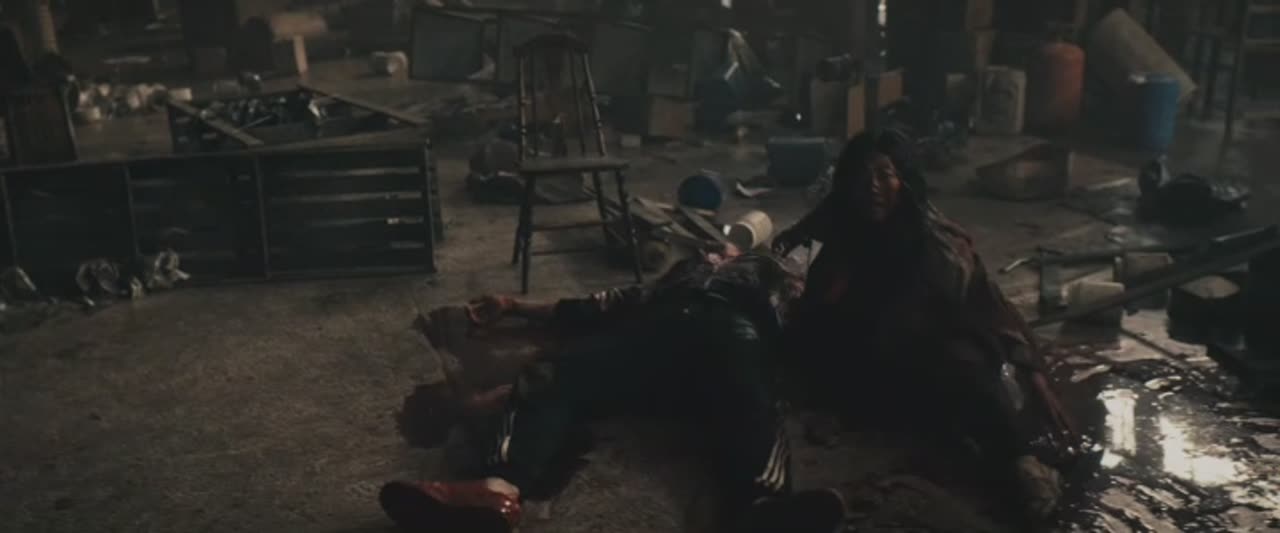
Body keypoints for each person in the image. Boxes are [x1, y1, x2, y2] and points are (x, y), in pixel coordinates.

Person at [379, 249, 845, 533]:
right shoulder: (681, 275)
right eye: (713, 251)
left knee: (751, 394)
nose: (717, 252)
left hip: (731, 334)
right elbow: (599, 304)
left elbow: (811, 324)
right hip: (651, 339)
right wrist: (513, 304)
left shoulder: (770, 274)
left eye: (727, 251)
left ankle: (762, 507)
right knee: (554, 374)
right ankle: (496, 492)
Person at [772, 129, 1079, 520]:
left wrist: (1032, 374)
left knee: (968, 367)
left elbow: (988, 306)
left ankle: (1022, 464)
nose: (872, 187)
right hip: (856, 364)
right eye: (862, 176)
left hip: (918, 360)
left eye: (884, 175)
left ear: (904, 180)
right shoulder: (836, 220)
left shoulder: (936, 242)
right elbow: (787, 257)